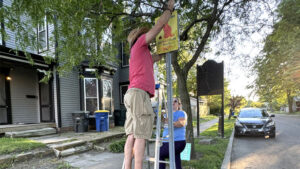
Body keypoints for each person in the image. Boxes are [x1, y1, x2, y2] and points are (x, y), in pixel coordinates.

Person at [123, 1, 175, 169]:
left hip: (132, 94)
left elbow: (156, 57)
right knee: (140, 135)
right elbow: (160, 25)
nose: (150, 39)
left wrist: (168, 46)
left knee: (131, 133)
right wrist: (169, 9)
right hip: (139, 94)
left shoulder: (140, 54)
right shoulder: (139, 44)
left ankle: (127, 166)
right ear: (139, 37)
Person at [159, 98, 187, 169]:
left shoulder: (181, 113)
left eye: (175, 101)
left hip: (177, 141)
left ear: (179, 104)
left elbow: (182, 123)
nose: (173, 103)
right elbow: (162, 123)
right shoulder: (166, 114)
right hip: (166, 141)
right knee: (175, 157)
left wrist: (171, 122)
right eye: (171, 101)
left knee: (160, 154)